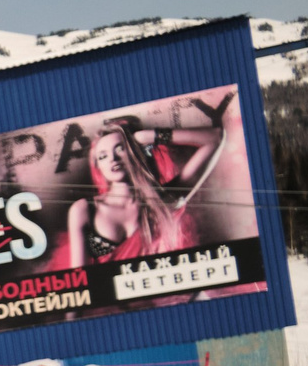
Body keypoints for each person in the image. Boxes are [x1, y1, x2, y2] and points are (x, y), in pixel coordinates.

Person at [63, 98, 230, 268]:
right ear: (98, 166)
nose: (112, 159)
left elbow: (214, 138)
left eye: (120, 148)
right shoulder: (84, 209)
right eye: (103, 156)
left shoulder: (164, 200)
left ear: (137, 152)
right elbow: (79, 278)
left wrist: (149, 136)